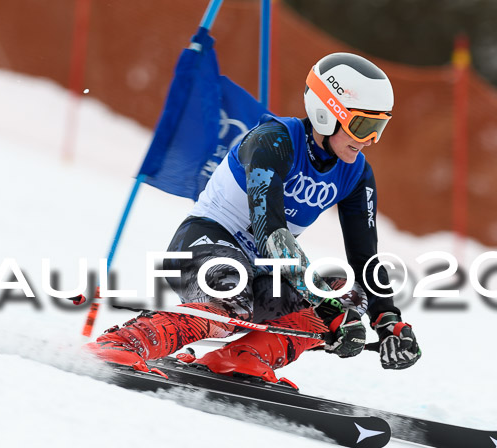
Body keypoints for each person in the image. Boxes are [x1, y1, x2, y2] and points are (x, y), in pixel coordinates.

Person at [86, 52, 421, 382]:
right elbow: (270, 234)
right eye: (363, 126)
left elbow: (365, 260)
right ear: (326, 114)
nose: (370, 141)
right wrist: (327, 308)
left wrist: (389, 322)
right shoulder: (272, 141)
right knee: (236, 301)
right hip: (201, 247)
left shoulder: (356, 173)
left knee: (349, 292)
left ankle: (242, 358)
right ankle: (124, 342)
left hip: (263, 271)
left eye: (379, 128)